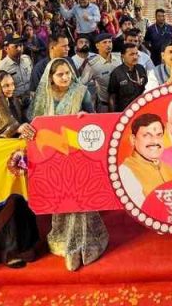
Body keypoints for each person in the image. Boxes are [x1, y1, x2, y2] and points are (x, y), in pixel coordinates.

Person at [28, 58, 105, 271]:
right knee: (62, 200)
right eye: (60, 74)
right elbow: (34, 124)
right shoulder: (43, 96)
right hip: (53, 157)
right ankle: (64, 240)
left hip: (78, 154)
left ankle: (87, 243)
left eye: (68, 73)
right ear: (50, 78)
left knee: (81, 199)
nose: (65, 77)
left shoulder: (81, 92)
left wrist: (86, 117)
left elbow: (95, 120)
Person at [0, 70, 40, 268]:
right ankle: (9, 251)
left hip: (18, 164)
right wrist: (14, 128)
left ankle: (26, 245)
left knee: (22, 203)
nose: (10, 89)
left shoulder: (14, 103)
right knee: (6, 206)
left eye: (12, 84)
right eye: (5, 86)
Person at [118, 113, 172, 206]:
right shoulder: (125, 172)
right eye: (147, 135)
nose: (155, 141)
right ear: (133, 139)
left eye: (159, 135)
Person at [87, 33, 123, 112]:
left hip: (123, 103)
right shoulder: (92, 65)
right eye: (104, 42)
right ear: (97, 46)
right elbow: (82, 83)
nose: (108, 45)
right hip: (104, 106)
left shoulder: (120, 58)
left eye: (110, 42)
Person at [108, 44, 148, 112]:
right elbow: (112, 96)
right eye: (131, 54)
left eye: (136, 54)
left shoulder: (141, 68)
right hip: (125, 111)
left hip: (142, 109)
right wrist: (113, 114)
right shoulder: (116, 73)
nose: (135, 57)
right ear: (123, 56)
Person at [0, 36, 34, 103]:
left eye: (21, 45)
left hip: (31, 97)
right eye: (15, 46)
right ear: (6, 48)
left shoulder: (27, 59)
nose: (19, 49)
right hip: (14, 102)